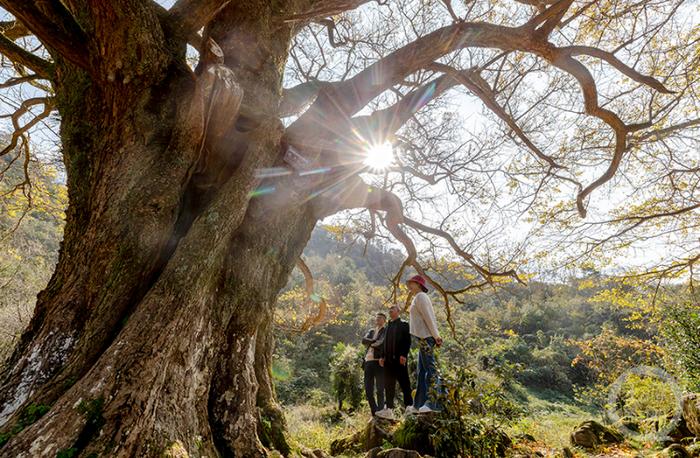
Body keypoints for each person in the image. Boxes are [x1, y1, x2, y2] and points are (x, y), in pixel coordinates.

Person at [406, 274, 443, 414]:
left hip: (427, 337)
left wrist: (436, 336)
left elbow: (429, 317)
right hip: (422, 338)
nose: (409, 285)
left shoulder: (421, 297)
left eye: (412, 283)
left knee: (430, 371)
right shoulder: (417, 297)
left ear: (419, 284)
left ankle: (434, 403)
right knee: (422, 372)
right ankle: (418, 405)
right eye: (408, 283)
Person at [376, 305, 412, 420]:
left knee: (405, 383)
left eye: (393, 309)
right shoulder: (387, 326)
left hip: (399, 359)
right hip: (388, 361)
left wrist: (403, 354)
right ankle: (389, 410)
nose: (390, 311)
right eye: (389, 310)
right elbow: (383, 343)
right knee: (388, 385)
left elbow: (407, 341)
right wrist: (381, 356)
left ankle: (409, 408)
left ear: (398, 311)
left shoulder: (404, 324)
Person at [362, 312, 387, 416]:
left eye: (380, 318)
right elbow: (363, 340)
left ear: (384, 320)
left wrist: (372, 342)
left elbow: (382, 343)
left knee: (380, 388)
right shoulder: (371, 331)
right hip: (367, 362)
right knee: (368, 389)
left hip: (378, 361)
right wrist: (374, 341)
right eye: (377, 318)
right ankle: (375, 410)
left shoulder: (386, 331)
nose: (377, 319)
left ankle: (380, 411)